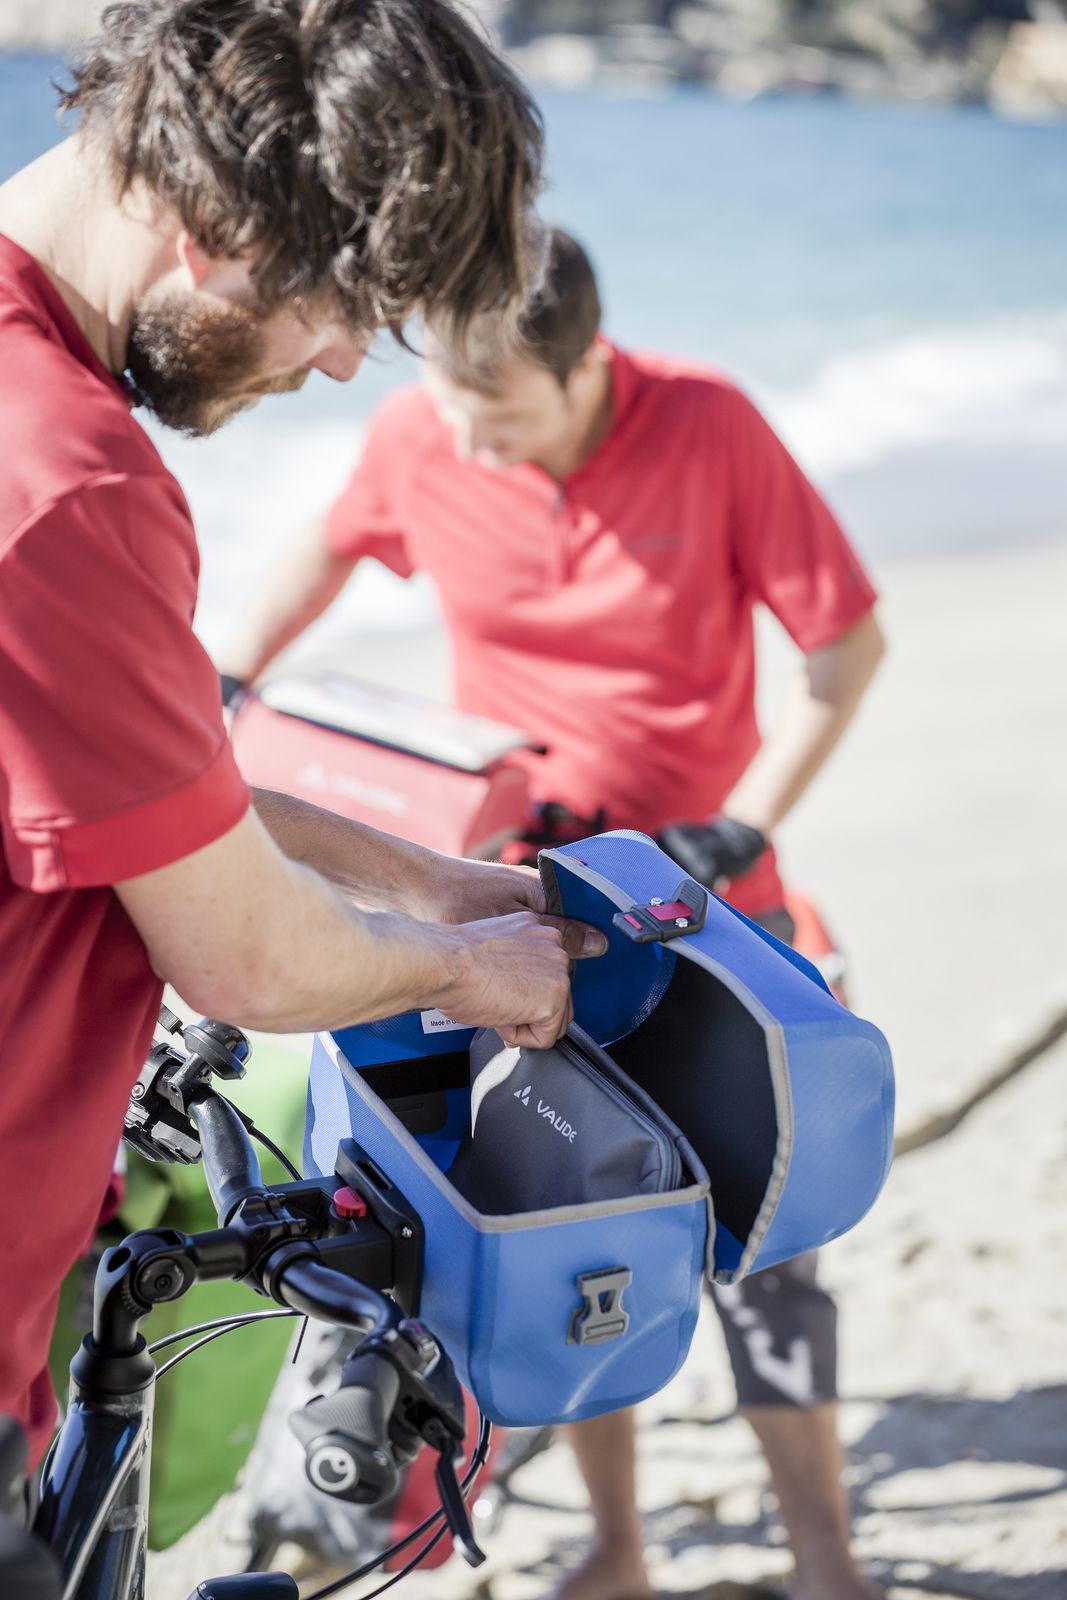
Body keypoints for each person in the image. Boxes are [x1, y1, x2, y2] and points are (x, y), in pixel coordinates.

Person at [221, 229, 888, 1600]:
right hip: (527, 918)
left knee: (771, 1254)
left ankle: (827, 1562)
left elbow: (845, 649)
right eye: (451, 410)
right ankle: (621, 1552)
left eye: (503, 415)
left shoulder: (709, 427)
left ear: (589, 365)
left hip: (703, 919)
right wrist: (220, 680)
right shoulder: (429, 432)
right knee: (577, 1244)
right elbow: (323, 547)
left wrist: (747, 822)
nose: (467, 445)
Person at [0, 2, 612, 1485]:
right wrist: (472, 966)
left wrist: (430, 880)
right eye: (342, 307)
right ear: (214, 221)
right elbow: (254, 961)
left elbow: (133, 793)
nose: (344, 364)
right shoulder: (67, 482)